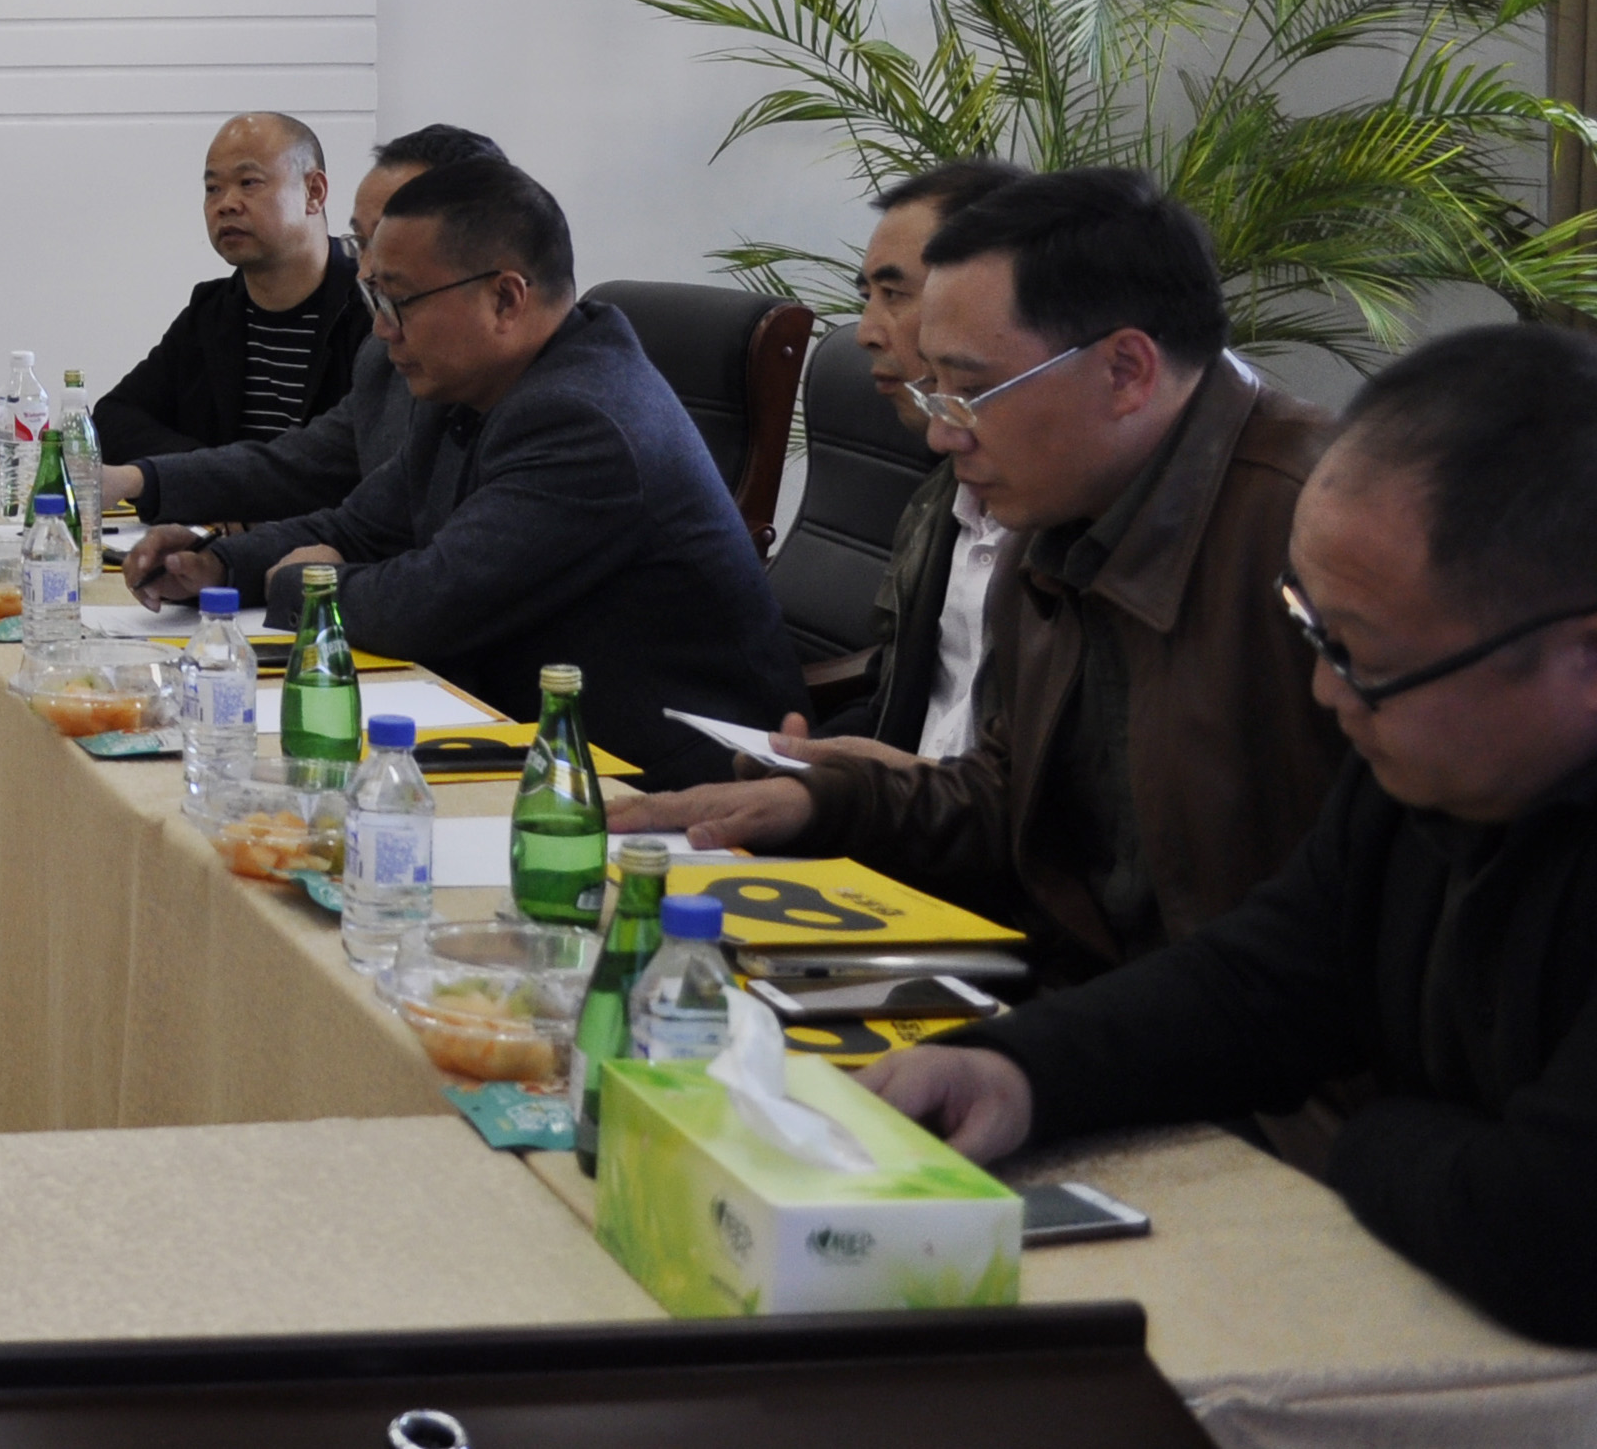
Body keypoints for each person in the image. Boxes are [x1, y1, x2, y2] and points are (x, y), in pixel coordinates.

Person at [867, 324, 1597, 1345]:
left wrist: (1366, 1134)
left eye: (1358, 656)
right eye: (1309, 627)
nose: (1323, 691)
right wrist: (1015, 1069)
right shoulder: (1422, 764)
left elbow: (1544, 1233)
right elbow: (1262, 980)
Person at [615, 167, 1342, 984]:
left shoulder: (1320, 543)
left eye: (973, 390)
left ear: (1126, 370)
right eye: (939, 391)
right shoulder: (1058, 505)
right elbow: (1014, 798)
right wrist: (824, 800)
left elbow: (1317, 941)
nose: (941, 436)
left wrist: (1036, 1047)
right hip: (1070, 993)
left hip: (1201, 1037)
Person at [246, 154, 801, 788]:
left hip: (666, 784)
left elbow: (428, 606)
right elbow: (360, 528)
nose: (382, 328)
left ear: (505, 298)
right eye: (375, 297)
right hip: (531, 735)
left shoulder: (582, 421)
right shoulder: (473, 385)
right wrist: (214, 563)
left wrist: (300, 587)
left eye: (398, 301)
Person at [116, 123, 502, 608]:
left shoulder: (560, 412)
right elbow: (342, 508)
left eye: (388, 242)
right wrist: (220, 563)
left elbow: (445, 591)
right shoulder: (391, 359)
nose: (366, 273)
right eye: (363, 241)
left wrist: (295, 581)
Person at [810, 159, 1024, 758]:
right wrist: (808, 768)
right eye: (867, 296)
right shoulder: (940, 494)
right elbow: (897, 704)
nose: (865, 332)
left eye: (895, 294)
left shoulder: (1071, 514)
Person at [92, 113, 372, 465]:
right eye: (213, 189)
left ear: (313, 192)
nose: (226, 204)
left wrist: (220, 476)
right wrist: (214, 474)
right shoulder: (212, 312)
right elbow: (112, 418)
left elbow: (360, 456)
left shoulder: (374, 311)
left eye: (249, 182)